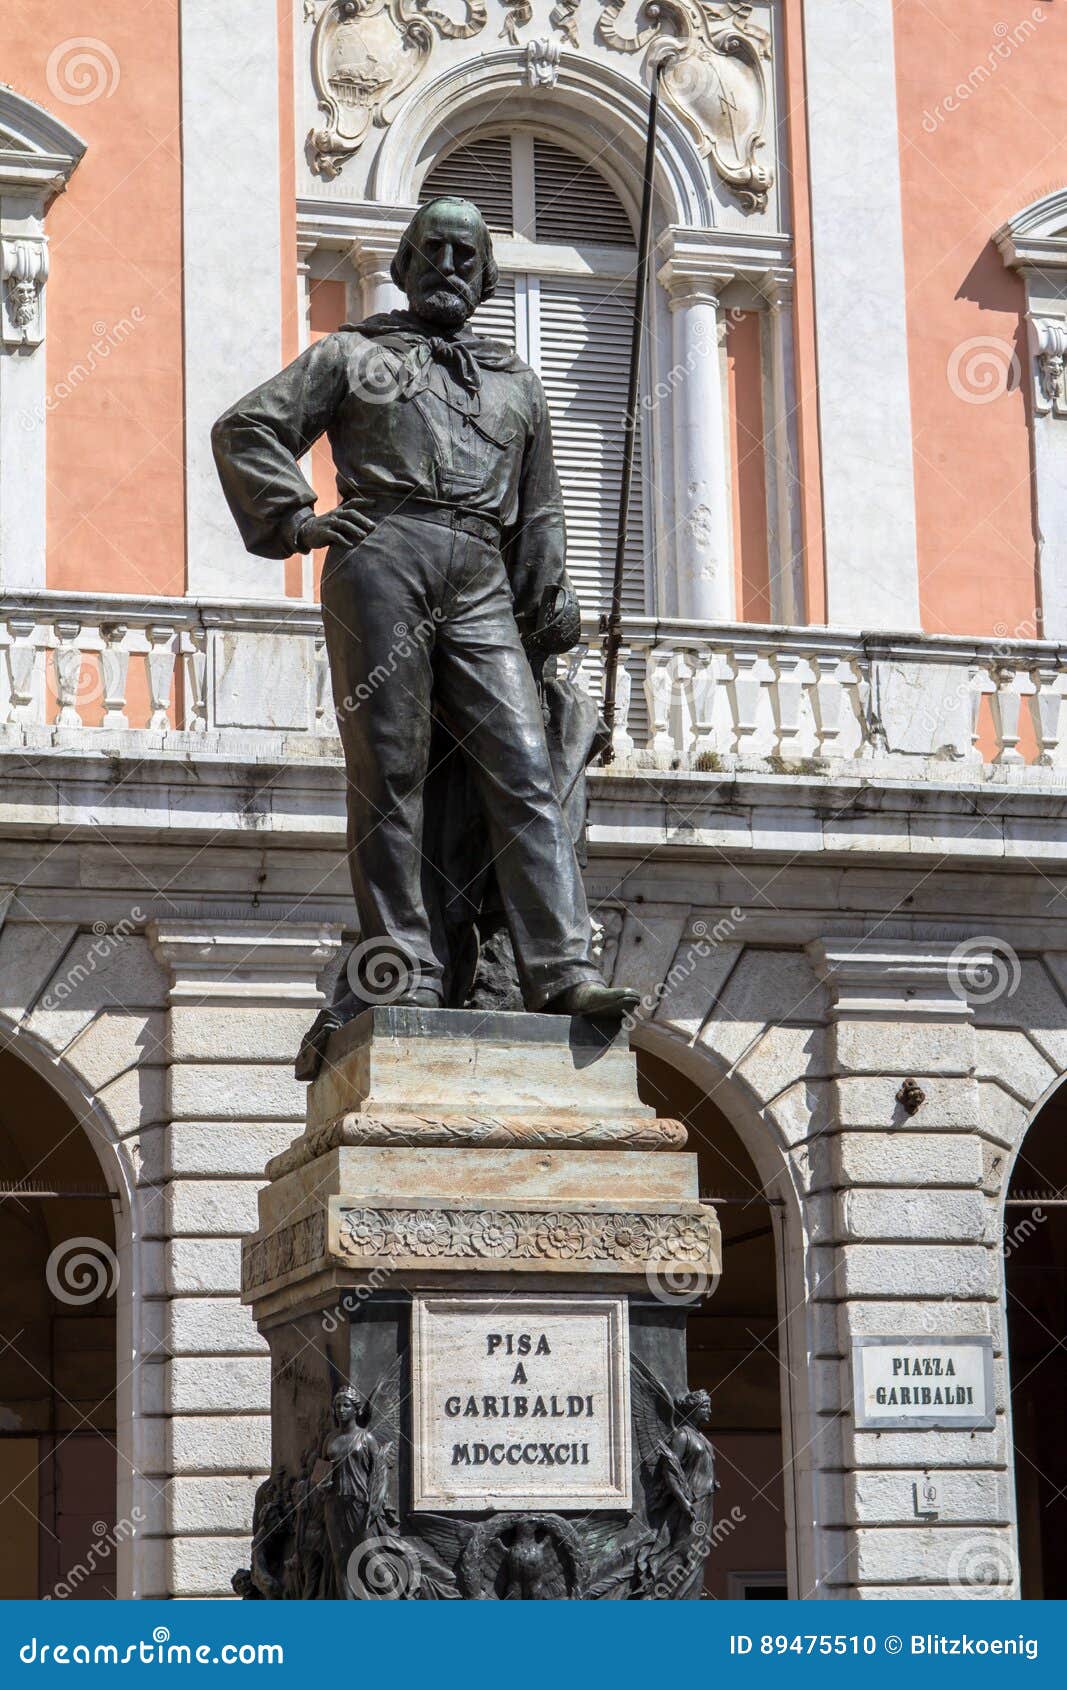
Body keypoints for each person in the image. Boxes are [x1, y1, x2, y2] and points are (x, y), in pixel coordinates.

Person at [212, 196, 637, 1063]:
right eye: (430, 250)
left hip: (480, 567)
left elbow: (541, 511)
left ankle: (557, 969)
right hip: (381, 554)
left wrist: (549, 608)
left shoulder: (518, 385)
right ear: (402, 268)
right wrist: (296, 521)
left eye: (464, 254)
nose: (447, 264)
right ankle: (402, 964)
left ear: (486, 277)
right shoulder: (352, 355)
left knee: (519, 764)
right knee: (390, 770)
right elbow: (248, 426)